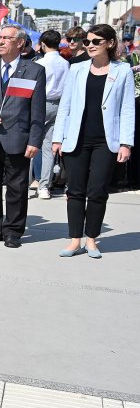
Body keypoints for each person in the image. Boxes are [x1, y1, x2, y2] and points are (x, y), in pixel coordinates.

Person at [52, 24, 134, 259]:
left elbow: (127, 110)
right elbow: (65, 105)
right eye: (87, 42)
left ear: (109, 43)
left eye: (95, 42)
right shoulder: (77, 69)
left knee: (98, 191)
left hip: (106, 141)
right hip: (77, 138)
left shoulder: (123, 71)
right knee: (75, 191)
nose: (89, 45)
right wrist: (58, 137)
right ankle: (75, 239)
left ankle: (91, 239)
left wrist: (126, 143)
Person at [0, 25, 47, 249]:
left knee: (17, 189)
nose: (0, 42)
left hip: (18, 140)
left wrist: (34, 141)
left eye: (6, 38)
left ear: (20, 43)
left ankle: (13, 231)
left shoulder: (34, 71)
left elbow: (37, 111)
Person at [33, 30, 70, 199]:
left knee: (30, 144)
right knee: (49, 147)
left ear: (43, 44)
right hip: (59, 104)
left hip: (42, 103)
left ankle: (26, 183)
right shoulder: (65, 63)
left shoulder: (41, 63)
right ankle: (44, 186)